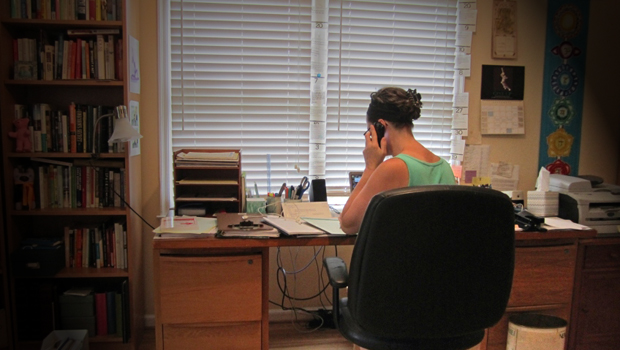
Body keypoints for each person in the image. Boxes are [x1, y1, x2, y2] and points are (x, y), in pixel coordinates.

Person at [339, 87, 456, 234]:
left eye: (370, 131)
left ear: (380, 126)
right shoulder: (444, 167)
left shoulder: (393, 167)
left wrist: (371, 167)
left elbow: (348, 225)